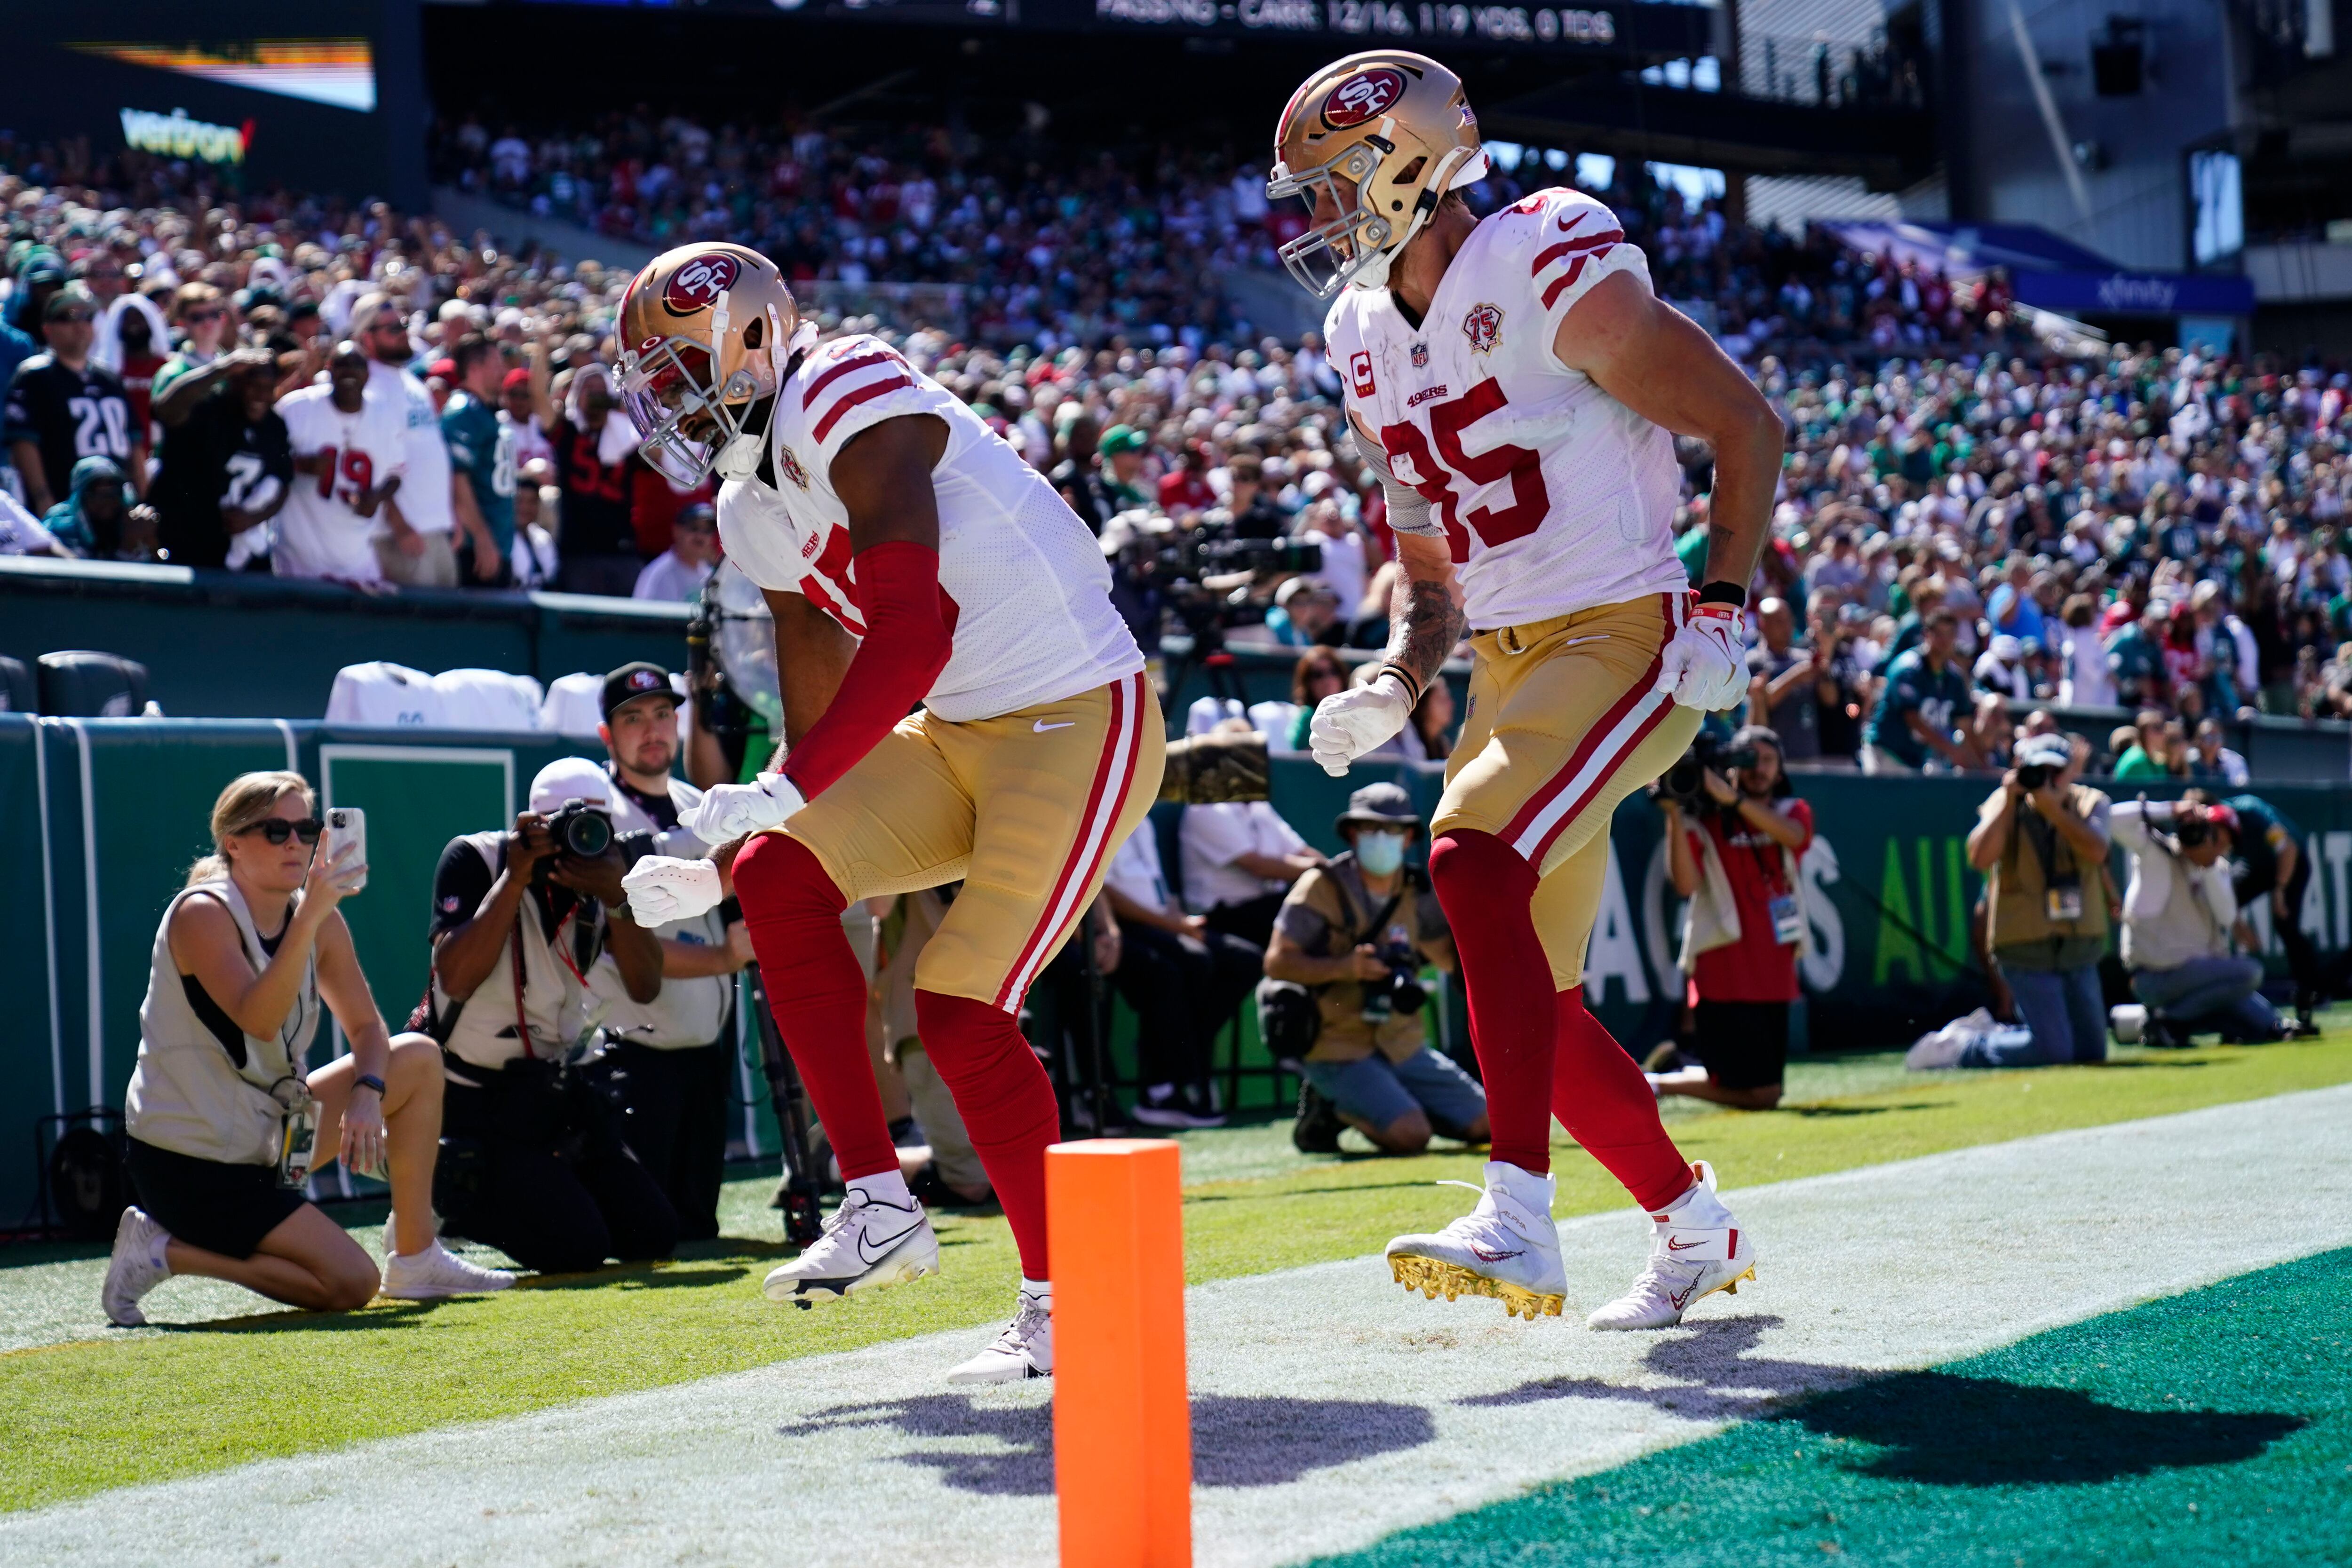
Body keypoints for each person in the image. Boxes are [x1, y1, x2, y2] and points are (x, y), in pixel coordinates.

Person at [1279, 51, 1776, 1330]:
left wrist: (1722, 604)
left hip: (1622, 633)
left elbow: (1746, 424)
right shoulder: (1361, 334)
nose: (1318, 217)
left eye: (1336, 184)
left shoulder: (1545, 253)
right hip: (1506, 664)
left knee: (1470, 860)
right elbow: (1428, 567)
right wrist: (1396, 671)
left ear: (1410, 166)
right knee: (1533, 1003)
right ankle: (1690, 1221)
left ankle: (1518, 1210)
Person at [611, 244, 1157, 1384]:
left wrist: (788, 787)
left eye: (676, 372)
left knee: (959, 1009)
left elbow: (914, 632)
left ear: (753, 340)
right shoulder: (747, 501)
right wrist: (754, 836)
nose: (664, 403)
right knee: (774, 875)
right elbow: (817, 674)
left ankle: (1069, 1300)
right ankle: (874, 1201)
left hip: (1075, 716)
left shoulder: (845, 386)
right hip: (957, 735)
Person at [102, 771, 511, 1328]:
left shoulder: (313, 915)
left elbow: (369, 1029)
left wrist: (369, 1094)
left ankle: (415, 1256)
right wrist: (314, 913)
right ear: (234, 844)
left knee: (414, 1056)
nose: (296, 842)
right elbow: (260, 1020)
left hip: (263, 1139)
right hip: (192, 1164)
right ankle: (164, 1248)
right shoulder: (202, 913)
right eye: (276, 830)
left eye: (306, 828)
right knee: (352, 1283)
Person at [424, 758, 679, 1273]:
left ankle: (529, 1187)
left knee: (652, 1233)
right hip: (473, 1097)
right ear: (531, 822)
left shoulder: (609, 876)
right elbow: (455, 977)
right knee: (576, 1247)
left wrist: (618, 897)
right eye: (564, 825)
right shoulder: (479, 857)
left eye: (594, 826)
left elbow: (645, 985)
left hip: (549, 1091)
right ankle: (453, 1196)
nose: (578, 839)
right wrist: (515, 878)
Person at [589, 665, 750, 1241]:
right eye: (632, 719)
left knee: (697, 1227)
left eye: (662, 714)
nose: (651, 729)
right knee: (643, 1235)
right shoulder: (592, 817)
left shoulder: (700, 806)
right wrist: (724, 961)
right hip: (633, 1053)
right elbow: (618, 945)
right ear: (607, 736)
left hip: (706, 1053)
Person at [1265, 782, 1482, 1154]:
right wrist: (1346, 968)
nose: (1381, 838)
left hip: (1403, 1040)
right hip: (1338, 1043)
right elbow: (1277, 962)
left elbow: (1451, 959)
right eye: (1370, 829)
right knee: (1412, 1136)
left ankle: (1401, 1102)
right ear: (1352, 833)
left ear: (1409, 836)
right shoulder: (1320, 886)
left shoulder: (1417, 891)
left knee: (1486, 1123)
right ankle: (1329, 1107)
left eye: (1393, 830)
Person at [1651, 727, 1813, 1107]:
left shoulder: (1793, 811)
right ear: (1730, 766)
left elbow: (1793, 836)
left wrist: (1733, 799)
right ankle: (1657, 1084)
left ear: (1781, 768)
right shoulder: (1703, 821)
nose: (1759, 769)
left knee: (1765, 1090)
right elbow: (1686, 885)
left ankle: (1661, 1078)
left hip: (1773, 972)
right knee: (1760, 1094)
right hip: (1723, 970)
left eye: (1768, 760)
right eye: (1749, 760)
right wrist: (1674, 815)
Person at [1960, 733, 2113, 1066]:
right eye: (2038, 770)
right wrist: (2008, 800)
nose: (2047, 780)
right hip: (2025, 946)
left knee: (2091, 1054)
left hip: (2078, 945)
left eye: (2055, 771)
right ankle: (1967, 1047)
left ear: (2072, 771)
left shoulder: (2091, 802)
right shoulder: (2005, 802)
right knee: (2054, 1051)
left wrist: (2055, 812)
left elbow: (2098, 851)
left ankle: (1996, 1037)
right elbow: (1979, 858)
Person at [1100, 818, 1258, 1128]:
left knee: (1244, 960)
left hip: (1164, 921)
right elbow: (1102, 890)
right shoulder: (1094, 810)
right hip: (1121, 928)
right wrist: (1175, 927)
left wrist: (1177, 918)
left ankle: (1183, 1053)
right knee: (1181, 967)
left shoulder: (1142, 811)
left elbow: (1154, 885)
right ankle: (1162, 1089)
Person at [2109, 794, 2281, 1045]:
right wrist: (2171, 808)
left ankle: (2165, 1023)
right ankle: (2169, 1019)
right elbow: (2111, 819)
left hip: (2197, 980)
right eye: (2211, 833)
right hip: (2156, 976)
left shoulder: (2217, 870)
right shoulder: (2158, 854)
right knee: (2249, 974)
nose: (2215, 843)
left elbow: (2227, 917)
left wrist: (2208, 865)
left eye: (2224, 841)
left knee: (2253, 1023)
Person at [350, 293, 465, 587]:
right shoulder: (367, 388)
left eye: (403, 325)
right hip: (399, 535)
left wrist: (450, 517)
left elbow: (431, 452)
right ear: (367, 338)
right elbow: (372, 464)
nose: (403, 333)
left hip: (434, 528)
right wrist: (399, 525)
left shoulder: (412, 382)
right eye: (392, 329)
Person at [274, 343, 405, 585]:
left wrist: (377, 497)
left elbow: (396, 473)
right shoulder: (298, 408)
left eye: (357, 366)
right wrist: (299, 465)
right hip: (299, 556)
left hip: (358, 558)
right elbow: (265, 459)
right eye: (342, 365)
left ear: (368, 374)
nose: (350, 373)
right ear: (329, 370)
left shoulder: (384, 414)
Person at [150, 346, 291, 570]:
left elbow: (283, 482)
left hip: (238, 551)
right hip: (187, 542)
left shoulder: (274, 426)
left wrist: (252, 519)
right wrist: (220, 368)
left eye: (267, 387)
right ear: (235, 382)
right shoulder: (209, 411)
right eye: (253, 385)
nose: (260, 395)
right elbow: (165, 409)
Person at [5, 291, 144, 518]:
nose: (79, 325)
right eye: (67, 317)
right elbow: (24, 443)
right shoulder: (35, 376)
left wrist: (141, 497)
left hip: (117, 504)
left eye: (87, 317)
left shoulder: (108, 377)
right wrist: (43, 498)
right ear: (47, 328)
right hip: (66, 505)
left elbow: (134, 442)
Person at [528, 333, 642, 595]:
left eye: (601, 391)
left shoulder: (628, 436)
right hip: (578, 552)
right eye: (588, 391)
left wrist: (624, 407)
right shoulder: (567, 432)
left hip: (622, 549)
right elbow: (537, 396)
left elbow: (658, 450)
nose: (595, 397)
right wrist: (542, 348)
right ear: (577, 396)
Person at [1179, 771, 1322, 948]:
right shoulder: (1206, 807)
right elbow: (1258, 866)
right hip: (1221, 915)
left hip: (1264, 904)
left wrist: (1332, 871)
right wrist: (1324, 871)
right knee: (1314, 914)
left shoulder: (1257, 804)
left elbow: (1301, 851)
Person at [2224, 791, 2322, 1029]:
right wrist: (2235, 922)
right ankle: (2225, 1009)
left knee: (2285, 925)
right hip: (2257, 865)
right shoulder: (2213, 833)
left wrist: (2279, 890)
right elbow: (2221, 894)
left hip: (2292, 863)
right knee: (2218, 907)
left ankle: (2308, 996)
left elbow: (2286, 848)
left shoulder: (2249, 812)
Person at [1862, 609, 1982, 773]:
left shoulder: (1954, 678)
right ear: (1926, 634)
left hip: (1917, 759)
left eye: (1950, 634)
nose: (1944, 640)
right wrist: (1951, 750)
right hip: (1887, 752)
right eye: (1939, 634)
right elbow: (1913, 719)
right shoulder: (1908, 669)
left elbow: (1964, 723)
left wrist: (1980, 764)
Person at [440, 333, 517, 585]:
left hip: (497, 543)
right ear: (474, 368)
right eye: (496, 364)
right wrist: (482, 538)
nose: (503, 371)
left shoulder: (486, 411)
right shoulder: (464, 411)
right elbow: (457, 478)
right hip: (476, 549)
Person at [41, 456, 160, 562]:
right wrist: (127, 547)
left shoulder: (131, 521)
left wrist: (150, 543)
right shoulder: (60, 523)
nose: (107, 501)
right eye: (96, 492)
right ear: (79, 497)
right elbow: (82, 580)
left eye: (113, 491)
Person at [1744, 597, 1820, 761]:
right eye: (1779, 622)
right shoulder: (1753, 661)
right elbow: (1758, 704)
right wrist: (1795, 677)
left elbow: (1830, 699)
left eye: (1788, 621)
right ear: (1763, 624)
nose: (1786, 628)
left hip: (1807, 752)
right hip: (1770, 758)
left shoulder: (1804, 657)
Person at [633, 500, 720, 602]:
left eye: (707, 531)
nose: (700, 537)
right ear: (677, 531)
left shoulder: (709, 574)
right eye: (694, 529)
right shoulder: (660, 574)